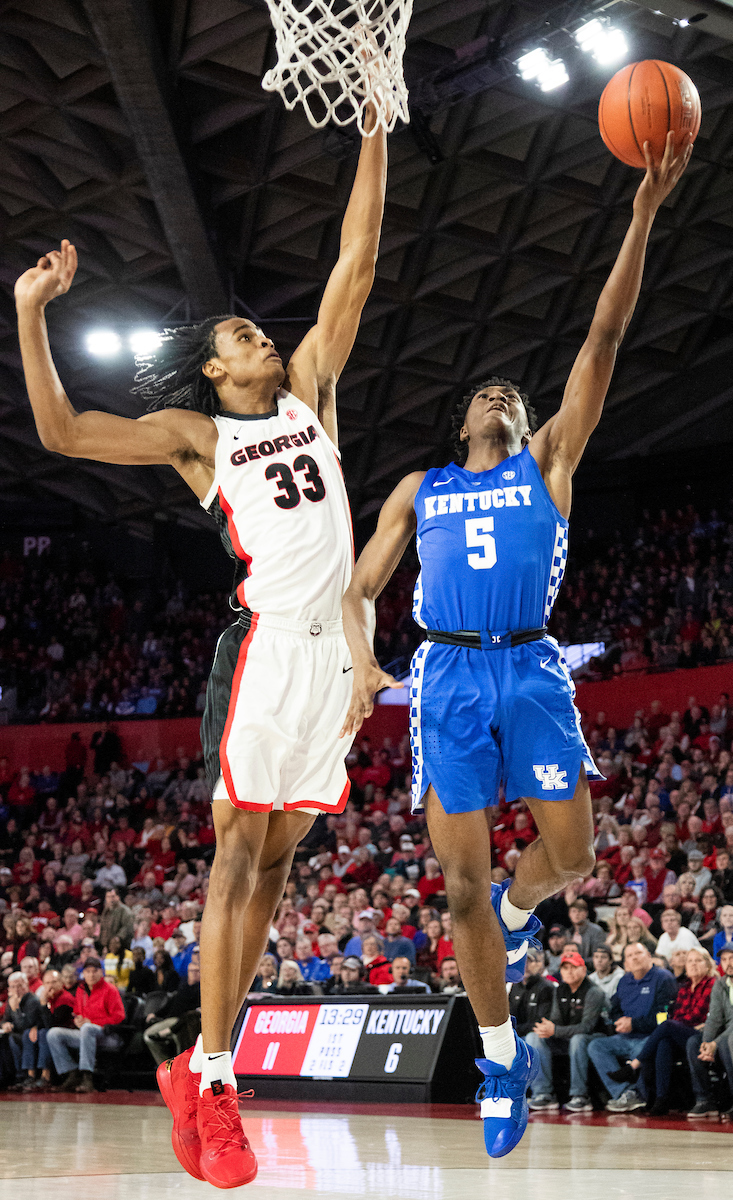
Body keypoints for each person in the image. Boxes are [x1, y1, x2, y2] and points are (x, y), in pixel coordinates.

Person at [16, 99, 388, 1191]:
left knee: (275, 869)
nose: (260, 337)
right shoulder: (201, 436)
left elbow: (357, 259)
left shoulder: (311, 392)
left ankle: (200, 1066)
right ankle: (216, 1083)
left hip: (330, 662)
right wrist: (31, 314)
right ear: (214, 375)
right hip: (268, 648)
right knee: (236, 859)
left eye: (259, 332)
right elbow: (63, 433)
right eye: (238, 339)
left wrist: (373, 128)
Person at [340, 133, 691, 1158]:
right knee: (451, 890)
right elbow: (360, 586)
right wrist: (363, 660)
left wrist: (639, 216)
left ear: (531, 422)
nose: (500, 396)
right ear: (462, 420)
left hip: (531, 667)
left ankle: (520, 900)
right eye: (486, 394)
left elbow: (605, 336)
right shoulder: (421, 488)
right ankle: (502, 1060)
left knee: (570, 857)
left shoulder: (547, 461)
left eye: (514, 395)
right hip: (444, 673)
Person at [616, 948, 717, 1116]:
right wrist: (680, 1024)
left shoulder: (712, 984)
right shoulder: (684, 988)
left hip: (702, 1034)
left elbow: (697, 1016)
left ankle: (634, 1065)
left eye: (698, 960)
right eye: (690, 961)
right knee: (664, 1042)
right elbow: (678, 1016)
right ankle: (661, 1100)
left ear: (708, 965)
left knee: (667, 1025)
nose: (693, 964)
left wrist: (681, 1024)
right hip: (684, 1031)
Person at [588, 942, 677, 1112]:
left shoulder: (663, 978)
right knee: (596, 1045)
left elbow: (664, 1017)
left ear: (649, 956)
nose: (634, 958)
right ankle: (625, 1093)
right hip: (625, 1036)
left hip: (651, 1036)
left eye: (638, 953)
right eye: (629, 955)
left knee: (644, 1051)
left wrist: (634, 1024)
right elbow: (613, 1009)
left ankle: (642, 1096)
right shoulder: (625, 981)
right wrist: (619, 1021)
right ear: (625, 963)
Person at [526, 949, 606, 1113]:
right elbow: (555, 1019)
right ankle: (543, 1094)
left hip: (594, 1038)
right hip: (566, 1037)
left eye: (573, 967)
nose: (569, 972)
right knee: (534, 1037)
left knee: (578, 1039)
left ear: (583, 970)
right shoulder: (560, 989)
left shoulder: (594, 991)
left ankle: (580, 1096)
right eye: (565, 968)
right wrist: (549, 1029)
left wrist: (555, 1030)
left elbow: (587, 1027)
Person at [45, 956, 125, 1093]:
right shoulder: (81, 990)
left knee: (87, 1028)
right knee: (53, 1033)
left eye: (95, 971)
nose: (91, 975)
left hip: (107, 1035)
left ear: (101, 972)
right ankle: (71, 1073)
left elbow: (119, 1017)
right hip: (86, 1033)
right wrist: (77, 1019)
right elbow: (77, 1011)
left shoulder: (110, 990)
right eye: (88, 971)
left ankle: (87, 1077)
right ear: (84, 973)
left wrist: (91, 1022)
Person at [686, 940, 733, 1118]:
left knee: (727, 1042)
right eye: (725, 959)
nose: (729, 963)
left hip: (729, 1036)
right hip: (724, 1032)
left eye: (732, 958)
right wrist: (706, 1043)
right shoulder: (720, 984)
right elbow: (714, 1017)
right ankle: (704, 1099)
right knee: (693, 1042)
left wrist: (716, 1042)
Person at [144, 961, 202, 1066]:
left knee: (180, 1035)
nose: (193, 973)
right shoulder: (182, 987)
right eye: (191, 971)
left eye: (197, 971)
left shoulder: (201, 990)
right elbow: (169, 1005)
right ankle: (165, 1066)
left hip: (185, 1021)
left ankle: (181, 1067)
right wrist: (155, 1014)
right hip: (170, 1019)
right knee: (148, 1036)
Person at [2, 972, 42, 1091]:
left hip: (32, 1035)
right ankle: (8, 1077)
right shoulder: (12, 1000)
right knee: (5, 1039)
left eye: (19, 985)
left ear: (26, 985)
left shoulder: (32, 999)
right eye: (13, 986)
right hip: (19, 1034)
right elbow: (5, 1019)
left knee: (12, 1038)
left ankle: (22, 1075)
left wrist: (17, 1009)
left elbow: (27, 1025)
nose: (16, 989)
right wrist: (6, 1024)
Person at [508, 948, 555, 1036]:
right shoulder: (515, 986)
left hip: (536, 1035)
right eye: (522, 962)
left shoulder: (546, 987)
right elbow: (510, 1015)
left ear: (539, 964)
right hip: (517, 1034)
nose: (525, 965)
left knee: (532, 1037)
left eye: (529, 961)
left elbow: (540, 1022)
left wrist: (515, 1031)